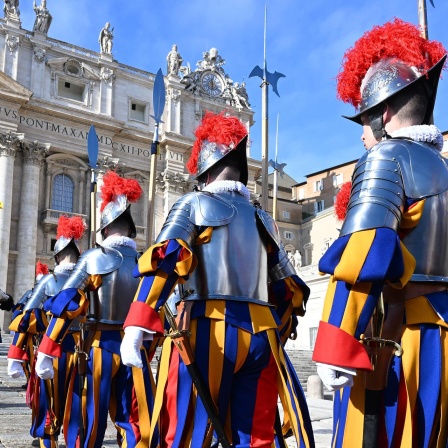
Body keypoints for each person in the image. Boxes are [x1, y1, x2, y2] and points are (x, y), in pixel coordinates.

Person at [120, 112, 315, 448]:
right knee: (255, 439)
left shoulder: (193, 202)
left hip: (207, 329)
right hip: (261, 337)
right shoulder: (264, 219)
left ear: (205, 171)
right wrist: (275, 336)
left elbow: (166, 260)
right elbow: (287, 289)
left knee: (187, 433)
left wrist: (137, 323)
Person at [312, 19, 448, 447]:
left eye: (364, 122)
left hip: (405, 337)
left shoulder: (387, 156)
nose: (364, 137)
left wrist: (335, 336)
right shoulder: (444, 167)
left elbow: (364, 251)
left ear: (383, 114)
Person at [35, 171, 154, 448]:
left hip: (98, 346)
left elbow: (66, 307)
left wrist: (46, 347)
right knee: (134, 421)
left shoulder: (93, 258)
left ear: (104, 227)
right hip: (135, 348)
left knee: (90, 420)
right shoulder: (144, 262)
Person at [8, 216, 85, 448]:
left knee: (48, 409)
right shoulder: (87, 280)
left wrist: (16, 353)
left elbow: (25, 319)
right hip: (83, 352)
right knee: (77, 411)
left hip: (50, 353)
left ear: (58, 256)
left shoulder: (49, 281)